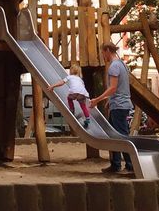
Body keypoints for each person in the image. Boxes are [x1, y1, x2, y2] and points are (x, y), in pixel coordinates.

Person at [92, 41, 133, 175]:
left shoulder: (114, 66)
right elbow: (121, 86)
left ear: (108, 50)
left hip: (119, 105)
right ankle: (116, 164)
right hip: (121, 103)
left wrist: (97, 99)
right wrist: (110, 100)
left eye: (103, 53)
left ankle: (130, 164)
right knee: (114, 135)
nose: (103, 56)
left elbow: (113, 87)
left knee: (121, 136)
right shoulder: (123, 64)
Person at [53, 63, 91, 128]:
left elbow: (61, 83)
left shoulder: (69, 77)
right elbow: (83, 87)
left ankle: (72, 109)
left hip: (74, 92)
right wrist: (87, 97)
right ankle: (87, 119)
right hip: (83, 93)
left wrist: (53, 86)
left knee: (69, 98)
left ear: (71, 70)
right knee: (83, 106)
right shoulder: (80, 79)